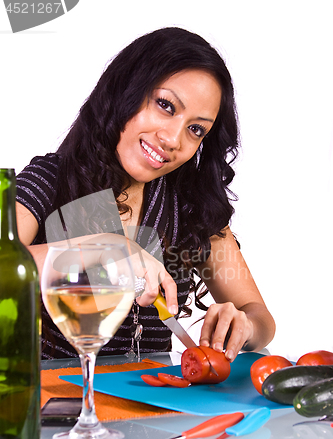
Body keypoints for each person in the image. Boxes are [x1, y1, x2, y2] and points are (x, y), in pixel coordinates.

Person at [15, 27, 275, 360]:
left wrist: (245, 325)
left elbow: (260, 316)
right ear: (126, 92)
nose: (173, 139)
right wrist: (101, 249)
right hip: (55, 404)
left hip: (156, 404)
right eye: (166, 106)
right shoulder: (50, 180)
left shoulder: (192, 207)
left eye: (196, 129)